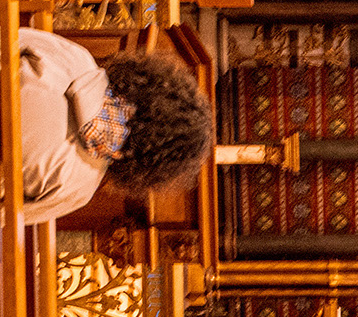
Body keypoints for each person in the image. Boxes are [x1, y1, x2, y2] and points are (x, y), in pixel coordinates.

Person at [18, 26, 214, 223]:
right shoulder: (78, 190)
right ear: (150, 163)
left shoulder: (76, 59)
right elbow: (0, 214)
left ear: (150, 81)